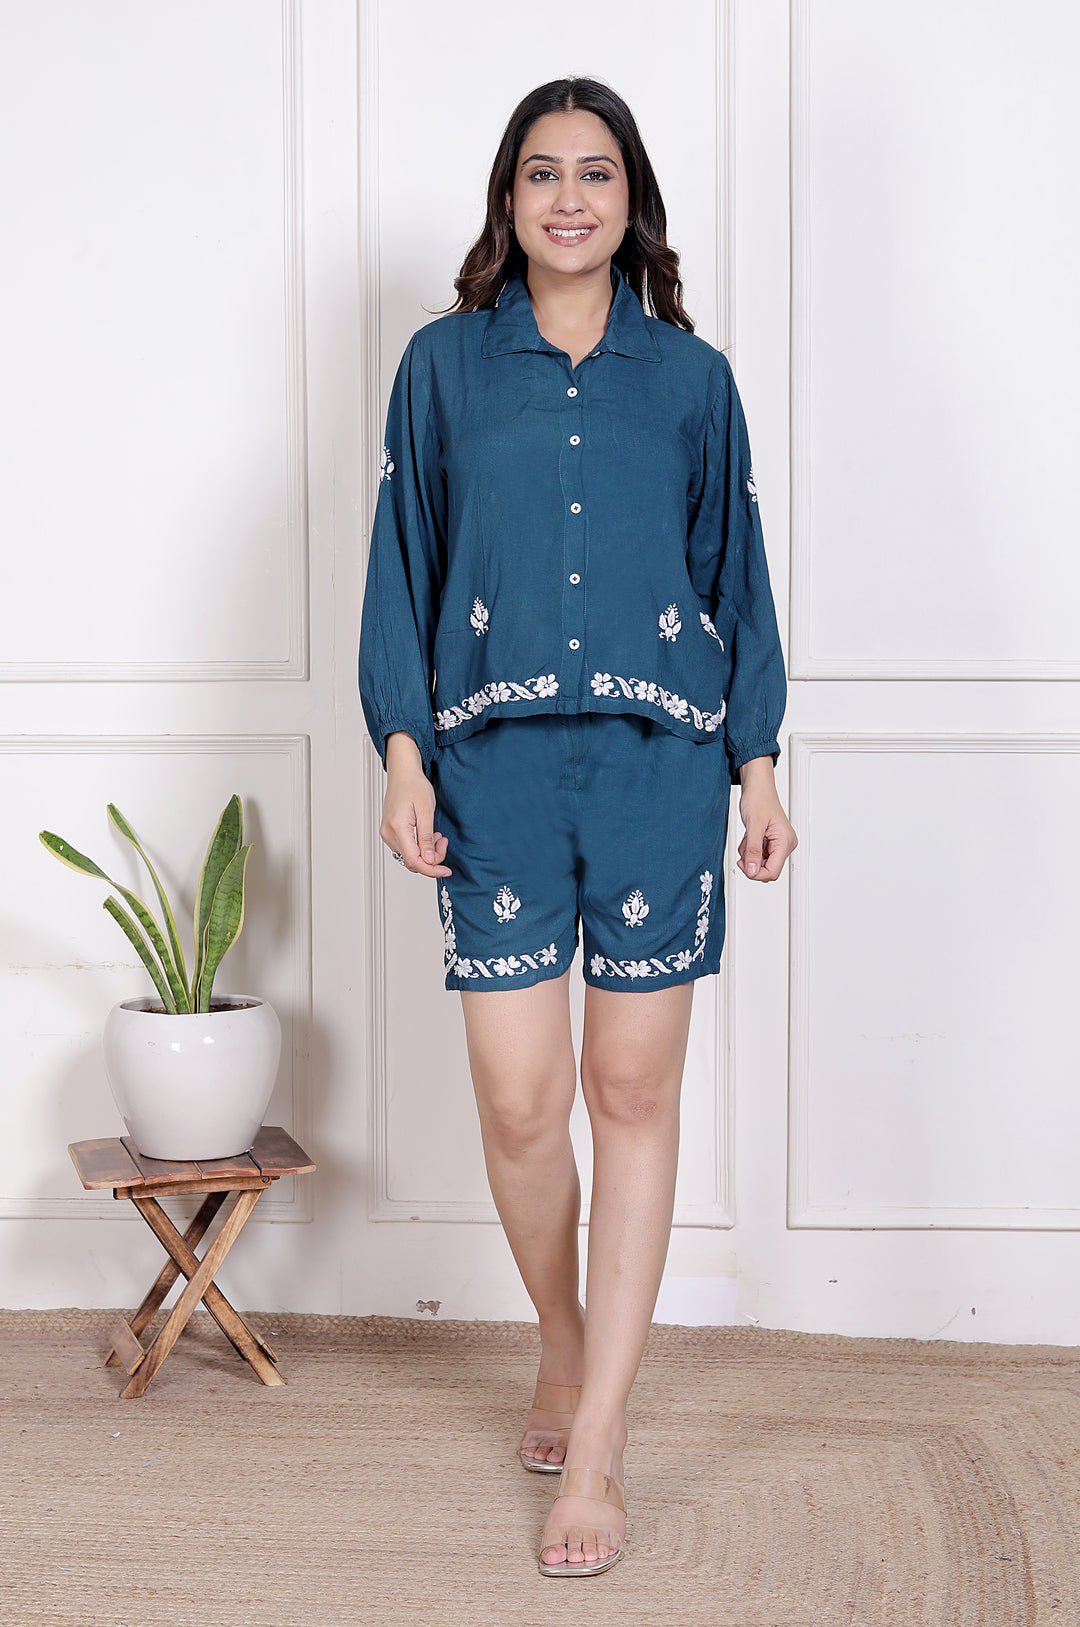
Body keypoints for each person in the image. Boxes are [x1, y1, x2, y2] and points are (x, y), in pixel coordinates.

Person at [358, 75, 797, 1578]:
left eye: (594, 173)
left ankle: (599, 1437)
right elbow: (405, 561)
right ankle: (561, 1335)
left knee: (630, 1089)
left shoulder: (690, 378)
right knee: (520, 1102)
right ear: (508, 198)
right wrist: (404, 757)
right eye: (541, 173)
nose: (567, 198)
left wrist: (757, 767)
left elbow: (736, 573)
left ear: (630, 199)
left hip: (659, 768)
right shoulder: (442, 367)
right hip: (492, 774)